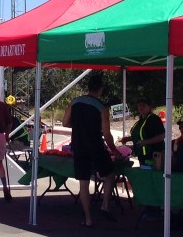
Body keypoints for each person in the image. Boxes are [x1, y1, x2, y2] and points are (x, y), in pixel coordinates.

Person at [62, 73, 120, 227]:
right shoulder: (102, 108)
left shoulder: (75, 102)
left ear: (88, 88)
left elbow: (65, 123)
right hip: (96, 146)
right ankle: (105, 205)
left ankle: (88, 219)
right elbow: (107, 134)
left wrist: (80, 126)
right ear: (101, 89)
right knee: (109, 173)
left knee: (83, 183)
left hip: (79, 146)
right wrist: (114, 150)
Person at [120, 97, 165, 167]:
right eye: (139, 105)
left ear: (150, 107)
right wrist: (128, 139)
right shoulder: (140, 120)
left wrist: (146, 142)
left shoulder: (154, 119)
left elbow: (161, 136)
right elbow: (140, 135)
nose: (141, 107)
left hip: (153, 155)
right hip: (142, 155)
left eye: (143, 105)